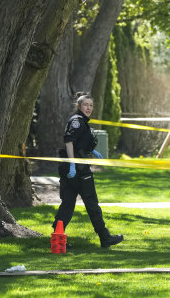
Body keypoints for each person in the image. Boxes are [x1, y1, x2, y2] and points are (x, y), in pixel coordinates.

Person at [52, 92, 124, 249]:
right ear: (79, 106)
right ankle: (105, 238)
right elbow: (69, 142)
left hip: (72, 168)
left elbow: (79, 143)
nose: (89, 108)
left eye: (91, 105)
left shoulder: (82, 121)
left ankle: (57, 240)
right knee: (91, 203)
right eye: (85, 105)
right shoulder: (77, 121)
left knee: (68, 204)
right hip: (77, 169)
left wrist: (92, 151)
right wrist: (73, 163)